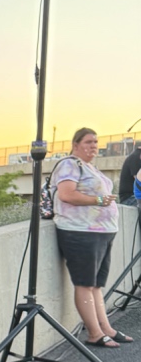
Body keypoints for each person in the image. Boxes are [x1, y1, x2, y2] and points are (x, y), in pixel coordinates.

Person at [50, 126, 131, 349]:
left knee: (96, 285)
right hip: (80, 232)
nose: (93, 145)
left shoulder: (91, 168)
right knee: (85, 284)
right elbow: (66, 194)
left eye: (95, 142)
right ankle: (94, 333)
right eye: (88, 142)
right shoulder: (69, 164)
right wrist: (98, 201)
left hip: (101, 233)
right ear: (76, 145)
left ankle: (107, 329)